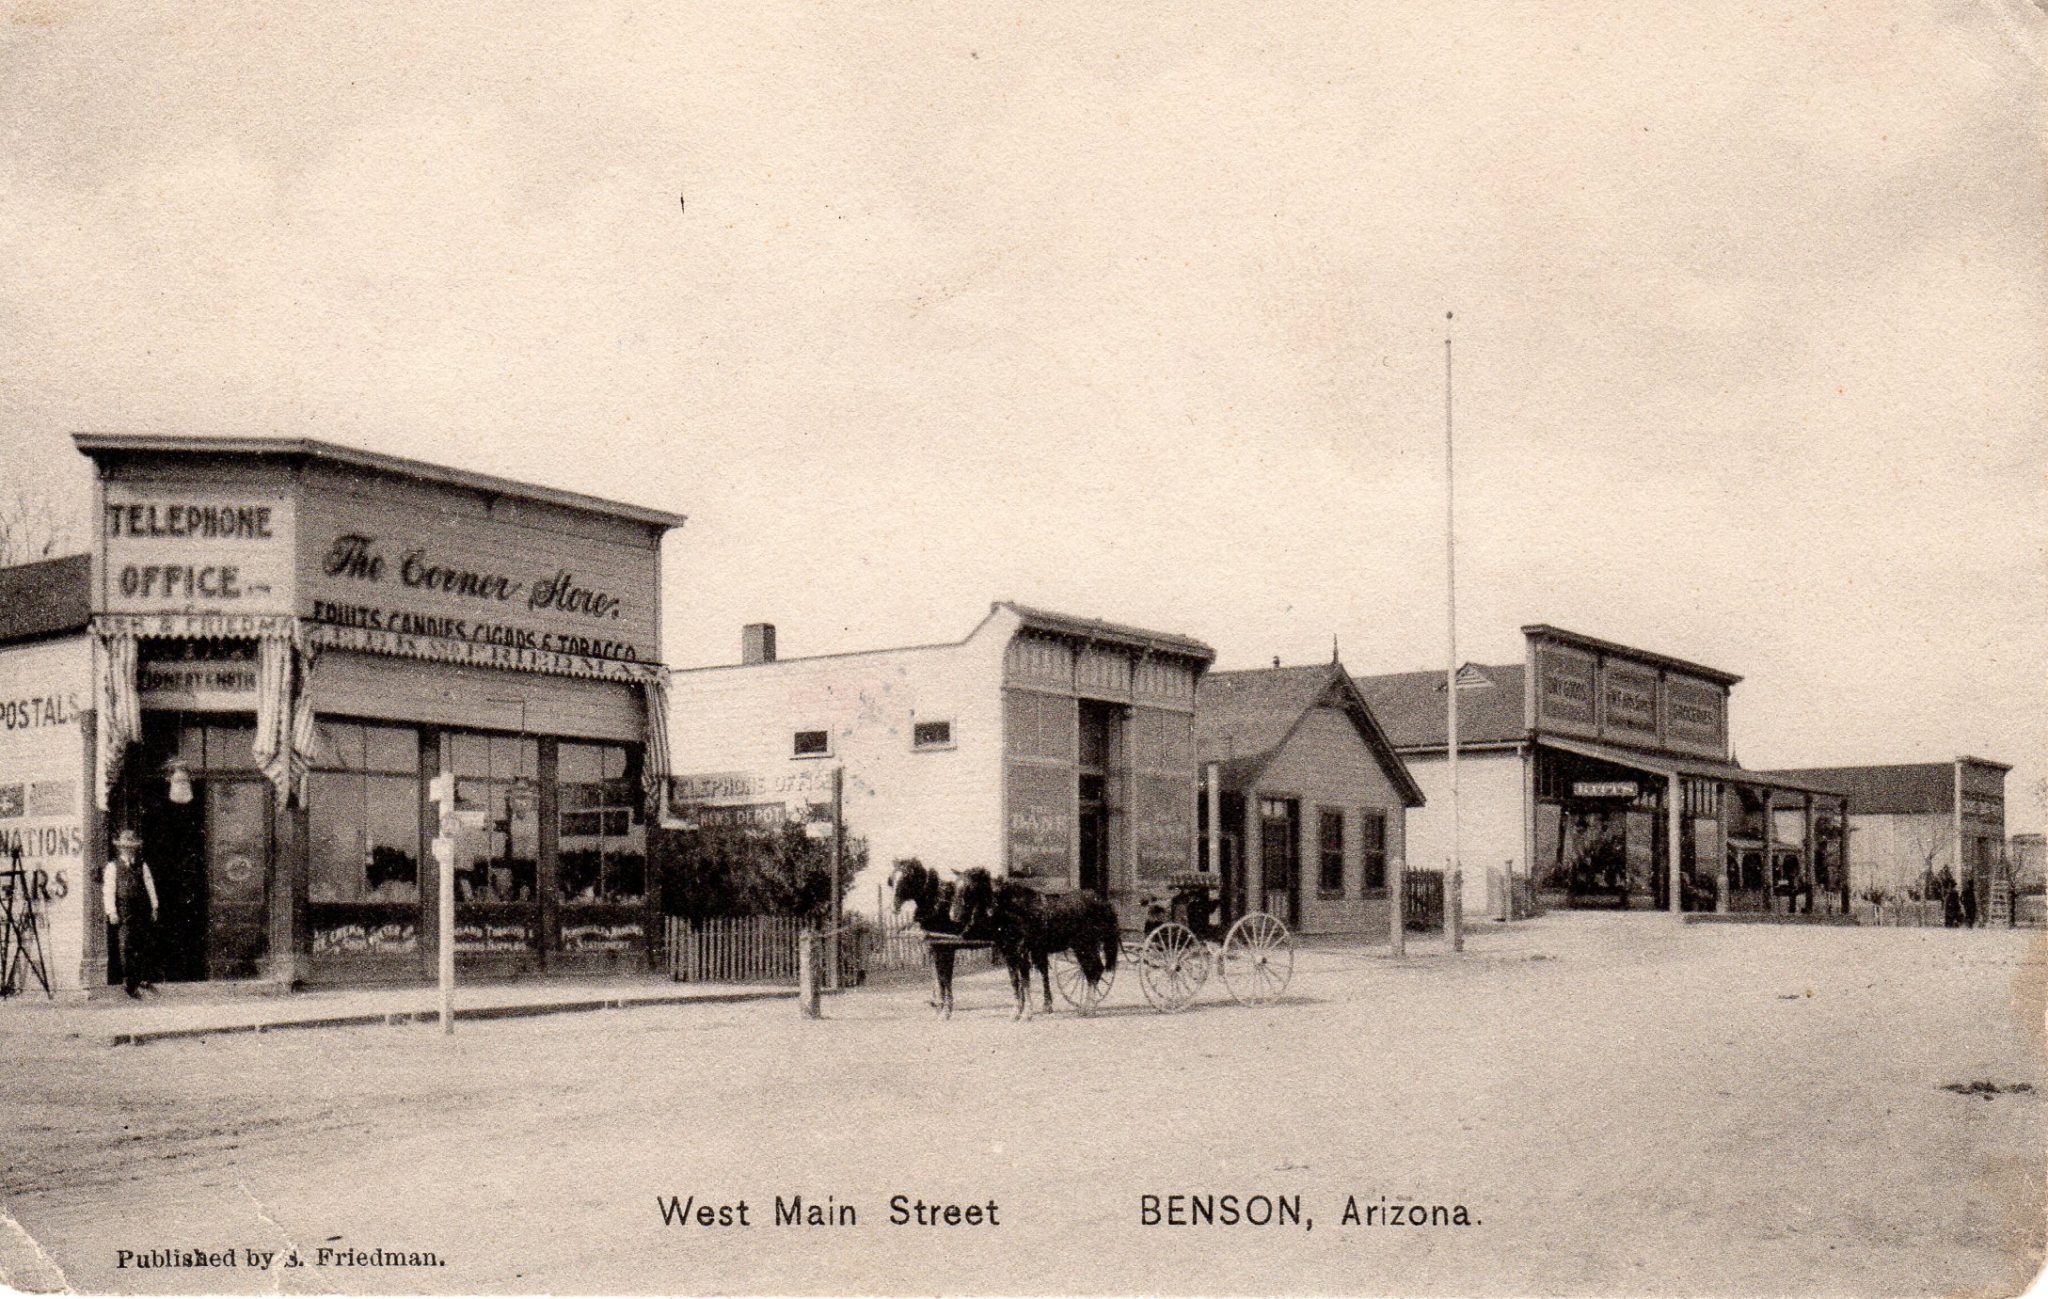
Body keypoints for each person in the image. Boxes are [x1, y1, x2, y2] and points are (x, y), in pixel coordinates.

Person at [102, 829, 159, 997]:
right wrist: (111, 911)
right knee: (126, 943)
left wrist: (154, 906)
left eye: (132, 847)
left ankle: (141, 976)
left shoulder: (142, 865)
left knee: (141, 942)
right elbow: (109, 890)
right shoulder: (113, 867)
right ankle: (128, 981)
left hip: (141, 907)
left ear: (135, 848)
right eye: (125, 847)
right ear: (120, 849)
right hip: (124, 908)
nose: (129, 850)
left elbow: (149, 885)